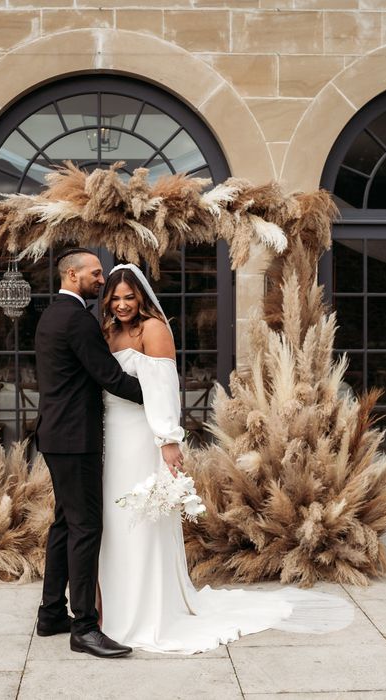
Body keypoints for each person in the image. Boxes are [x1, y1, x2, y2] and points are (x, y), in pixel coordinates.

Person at [98, 263, 354, 654]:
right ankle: (111, 607)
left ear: (141, 298)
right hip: (111, 435)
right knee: (113, 521)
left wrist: (168, 439)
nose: (121, 305)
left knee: (140, 519)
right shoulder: (109, 331)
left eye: (128, 297)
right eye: (115, 299)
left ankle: (146, 609)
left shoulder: (153, 330)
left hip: (141, 434)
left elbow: (163, 388)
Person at [34, 248, 143, 659]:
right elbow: (109, 376)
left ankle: (50, 614)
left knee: (64, 524)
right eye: (96, 274)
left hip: (55, 435)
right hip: (75, 439)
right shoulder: (78, 319)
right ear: (73, 273)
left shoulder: (51, 314)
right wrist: (156, 394)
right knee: (85, 528)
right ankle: (83, 626)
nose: (102, 279)